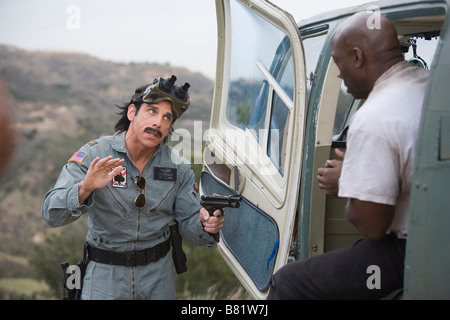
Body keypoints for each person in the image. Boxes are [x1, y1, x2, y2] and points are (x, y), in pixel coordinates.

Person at [267, 12, 429, 299]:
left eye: (339, 63)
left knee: (288, 282)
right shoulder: (425, 85)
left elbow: (372, 226)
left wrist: (349, 180)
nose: (339, 74)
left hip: (414, 252)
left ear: (357, 57)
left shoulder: (374, 117)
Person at [42, 75, 224, 300]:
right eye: (152, 111)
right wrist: (84, 188)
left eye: (167, 117)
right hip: (104, 276)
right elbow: (52, 213)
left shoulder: (179, 167)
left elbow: (189, 224)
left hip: (158, 278)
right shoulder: (94, 155)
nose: (158, 122)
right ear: (131, 113)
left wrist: (206, 225)